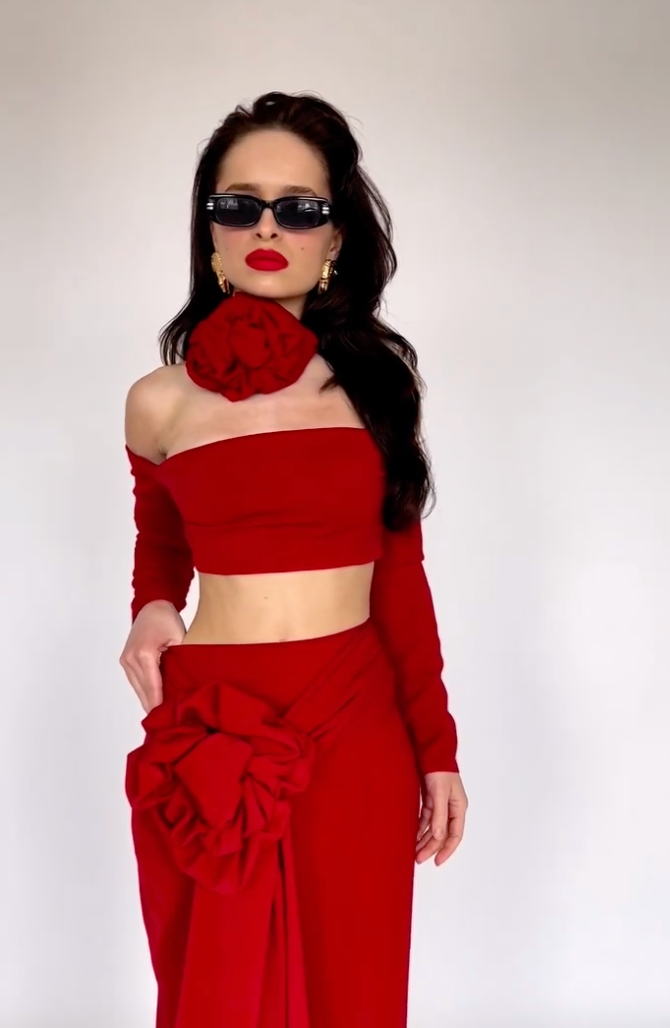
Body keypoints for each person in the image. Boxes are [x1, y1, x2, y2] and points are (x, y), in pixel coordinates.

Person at [119, 90, 468, 1028]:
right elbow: (162, 538)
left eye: (299, 208)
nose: (267, 227)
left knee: (354, 992)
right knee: (216, 996)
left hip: (353, 719)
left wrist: (437, 751)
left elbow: (401, 576)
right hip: (214, 725)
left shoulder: (377, 386)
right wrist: (153, 604)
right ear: (211, 232)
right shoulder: (156, 401)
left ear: (335, 238)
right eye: (239, 205)